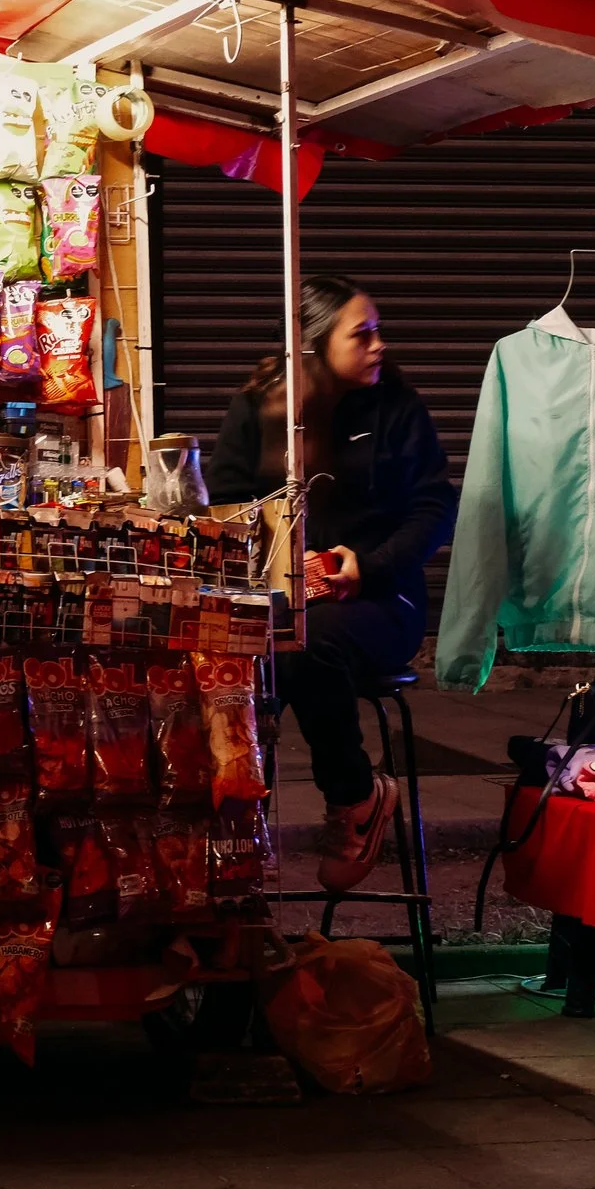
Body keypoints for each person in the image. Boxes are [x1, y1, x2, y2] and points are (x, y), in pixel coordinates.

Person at [208, 274, 456, 893]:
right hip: (276, 595)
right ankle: (232, 836)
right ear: (314, 345)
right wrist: (274, 546)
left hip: (381, 600)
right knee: (228, 656)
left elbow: (433, 510)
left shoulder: (397, 407)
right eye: (363, 334)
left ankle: (355, 799)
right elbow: (225, 499)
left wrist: (366, 564)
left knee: (303, 645)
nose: (379, 346)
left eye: (377, 332)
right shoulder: (263, 405)